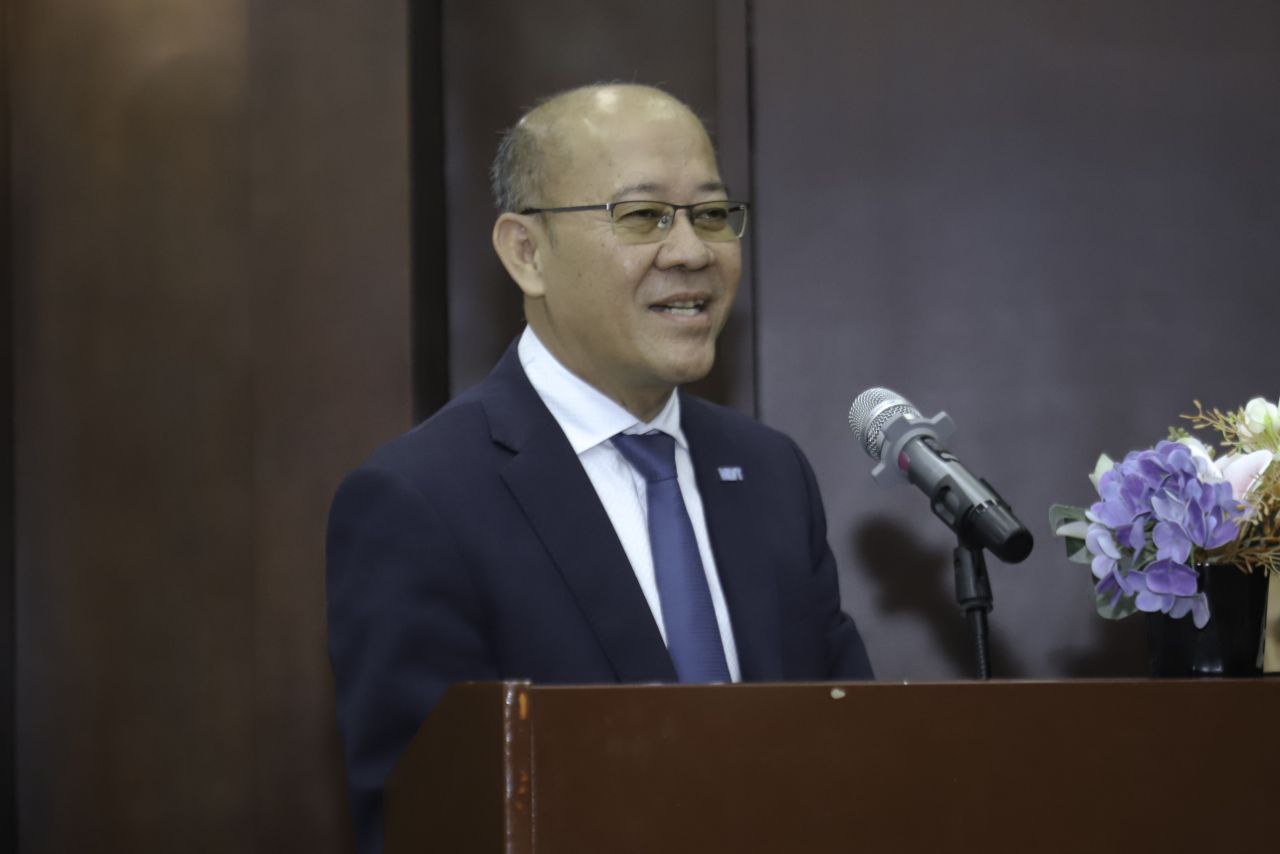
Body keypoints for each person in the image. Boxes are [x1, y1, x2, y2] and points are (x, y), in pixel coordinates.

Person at [326, 83, 873, 854]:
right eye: (643, 216)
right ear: (527, 252)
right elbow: (428, 823)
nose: (691, 251)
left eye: (712, 214)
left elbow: (855, 759)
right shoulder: (420, 502)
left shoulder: (770, 473)